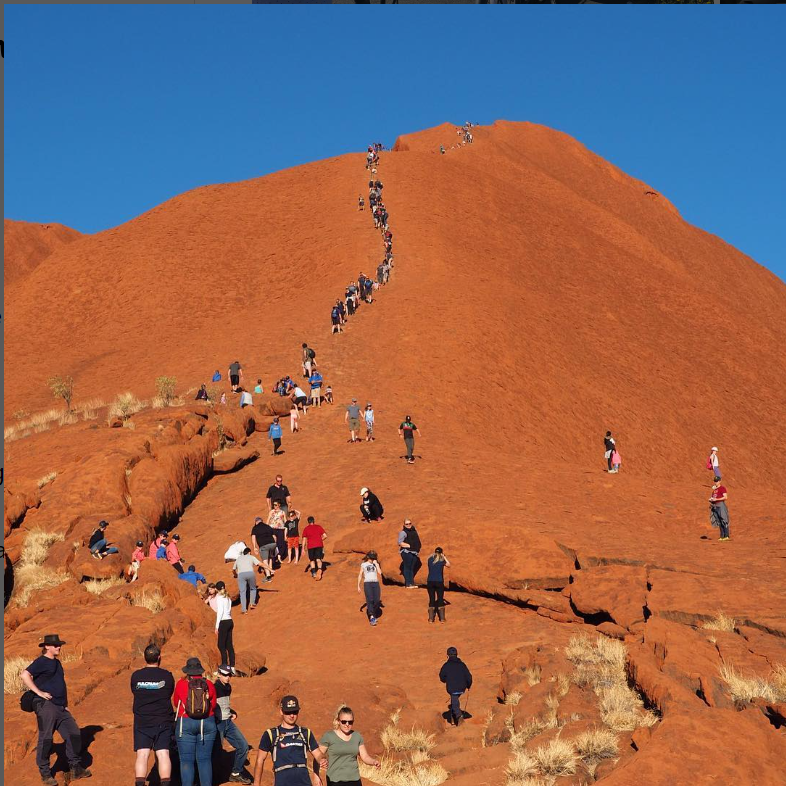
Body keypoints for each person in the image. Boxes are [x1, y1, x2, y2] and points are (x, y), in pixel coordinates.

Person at [21, 634, 92, 784]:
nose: (59, 647)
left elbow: (59, 683)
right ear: (47, 646)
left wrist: (65, 705)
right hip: (46, 706)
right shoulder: (41, 661)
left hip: (60, 707)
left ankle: (75, 768)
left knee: (74, 734)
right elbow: (25, 674)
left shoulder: (57, 663)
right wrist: (39, 693)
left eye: (59, 645)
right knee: (46, 739)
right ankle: (46, 774)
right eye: (55, 645)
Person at [253, 695, 324, 786]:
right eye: (288, 712)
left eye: (295, 712)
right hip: (282, 781)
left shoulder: (305, 733)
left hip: (303, 781)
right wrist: (256, 783)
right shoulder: (271, 734)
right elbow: (260, 759)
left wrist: (322, 759)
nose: (292, 715)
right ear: (281, 712)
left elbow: (317, 754)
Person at [131, 643, 175, 786]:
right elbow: (169, 693)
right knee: (163, 754)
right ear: (159, 657)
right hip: (163, 720)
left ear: (145, 658)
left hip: (142, 721)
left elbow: (135, 691)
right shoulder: (167, 676)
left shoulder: (136, 676)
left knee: (142, 754)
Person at [173, 658, 218, 786]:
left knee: (186, 760)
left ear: (187, 671)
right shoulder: (209, 684)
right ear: (200, 670)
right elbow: (213, 705)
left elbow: (176, 703)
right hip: (207, 723)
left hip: (186, 723)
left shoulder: (181, 684)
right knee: (204, 760)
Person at [318, 706, 381, 785]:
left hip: (354, 779)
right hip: (335, 780)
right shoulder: (329, 736)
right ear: (338, 721)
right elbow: (318, 754)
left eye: (350, 722)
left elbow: (365, 757)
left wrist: (373, 761)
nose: (347, 724)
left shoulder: (357, 736)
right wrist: (321, 762)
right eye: (344, 722)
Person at [213, 666, 253, 784]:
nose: (228, 677)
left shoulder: (228, 687)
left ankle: (235, 773)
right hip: (217, 723)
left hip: (228, 723)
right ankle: (212, 778)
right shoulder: (214, 688)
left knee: (243, 746)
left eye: (229, 675)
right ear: (219, 674)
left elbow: (225, 704)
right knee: (216, 752)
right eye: (225, 675)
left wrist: (232, 712)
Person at [439, 647, 473, 727]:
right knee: (455, 700)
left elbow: (441, 676)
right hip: (462, 687)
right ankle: (453, 719)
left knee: (454, 701)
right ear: (456, 655)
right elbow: (469, 676)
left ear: (447, 656)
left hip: (452, 687)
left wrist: (445, 680)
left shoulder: (446, 665)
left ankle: (459, 717)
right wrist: (468, 685)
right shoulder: (462, 664)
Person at [214, 581, 236, 671]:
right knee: (229, 645)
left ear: (216, 589)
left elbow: (220, 612)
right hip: (230, 621)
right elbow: (229, 610)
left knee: (221, 645)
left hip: (223, 622)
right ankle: (232, 666)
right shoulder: (227, 597)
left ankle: (224, 666)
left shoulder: (219, 598)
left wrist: (216, 626)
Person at [358, 552, 383, 627]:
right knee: (370, 599)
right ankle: (372, 617)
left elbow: (380, 573)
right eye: (372, 558)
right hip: (367, 583)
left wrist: (377, 564)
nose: (373, 559)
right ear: (368, 557)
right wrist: (358, 586)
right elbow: (360, 574)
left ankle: (373, 613)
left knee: (377, 600)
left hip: (375, 583)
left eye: (374, 558)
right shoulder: (363, 564)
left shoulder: (375, 564)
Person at [233, 548, 262, 613]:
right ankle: (252, 604)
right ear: (249, 552)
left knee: (242, 592)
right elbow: (260, 564)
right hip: (250, 573)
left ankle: (244, 609)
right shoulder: (251, 557)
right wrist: (269, 569)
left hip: (241, 575)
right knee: (253, 589)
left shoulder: (239, 558)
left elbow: (233, 569)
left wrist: (236, 575)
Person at [427, 548, 451, 624]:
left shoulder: (430, 559)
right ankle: (442, 619)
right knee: (440, 599)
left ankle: (431, 619)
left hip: (430, 581)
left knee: (431, 599)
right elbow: (449, 565)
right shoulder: (441, 560)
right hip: (439, 581)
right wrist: (444, 557)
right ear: (441, 553)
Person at [251, 517, 276, 582]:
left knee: (265, 560)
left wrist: (254, 547)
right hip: (272, 544)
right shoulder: (268, 526)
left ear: (256, 522)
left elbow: (253, 537)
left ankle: (268, 576)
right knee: (270, 556)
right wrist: (275, 544)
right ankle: (271, 570)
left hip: (263, 546)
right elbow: (274, 536)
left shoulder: (255, 528)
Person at [301, 516, 327, 580]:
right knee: (318, 559)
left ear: (308, 522)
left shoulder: (306, 529)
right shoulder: (318, 527)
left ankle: (314, 573)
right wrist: (320, 540)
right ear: (313, 521)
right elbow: (325, 536)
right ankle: (320, 570)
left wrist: (303, 549)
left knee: (312, 560)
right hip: (319, 545)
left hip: (311, 546)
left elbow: (304, 539)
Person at [398, 519, 421, 588]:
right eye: (406, 524)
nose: (408, 525)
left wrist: (417, 548)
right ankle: (408, 584)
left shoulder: (414, 531)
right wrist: (409, 546)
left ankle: (412, 583)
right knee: (407, 567)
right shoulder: (403, 532)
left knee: (411, 568)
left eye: (409, 523)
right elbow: (400, 542)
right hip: (406, 552)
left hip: (414, 552)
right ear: (404, 525)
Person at [709, 477, 731, 541]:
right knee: (718, 521)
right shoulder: (714, 490)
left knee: (724, 520)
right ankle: (722, 536)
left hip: (721, 505)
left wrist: (717, 499)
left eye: (717, 481)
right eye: (715, 481)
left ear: (720, 481)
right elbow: (713, 498)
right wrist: (711, 500)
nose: (716, 482)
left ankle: (726, 536)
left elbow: (725, 497)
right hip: (715, 506)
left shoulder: (722, 488)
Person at [267, 502, 288, 566]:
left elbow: (285, 521)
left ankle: (279, 557)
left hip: (281, 529)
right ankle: (273, 560)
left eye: (275, 505)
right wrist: (266, 528)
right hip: (272, 529)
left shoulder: (282, 512)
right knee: (273, 544)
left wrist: (288, 527)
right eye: (273, 505)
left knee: (281, 543)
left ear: (279, 505)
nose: (274, 506)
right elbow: (268, 520)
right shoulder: (271, 511)